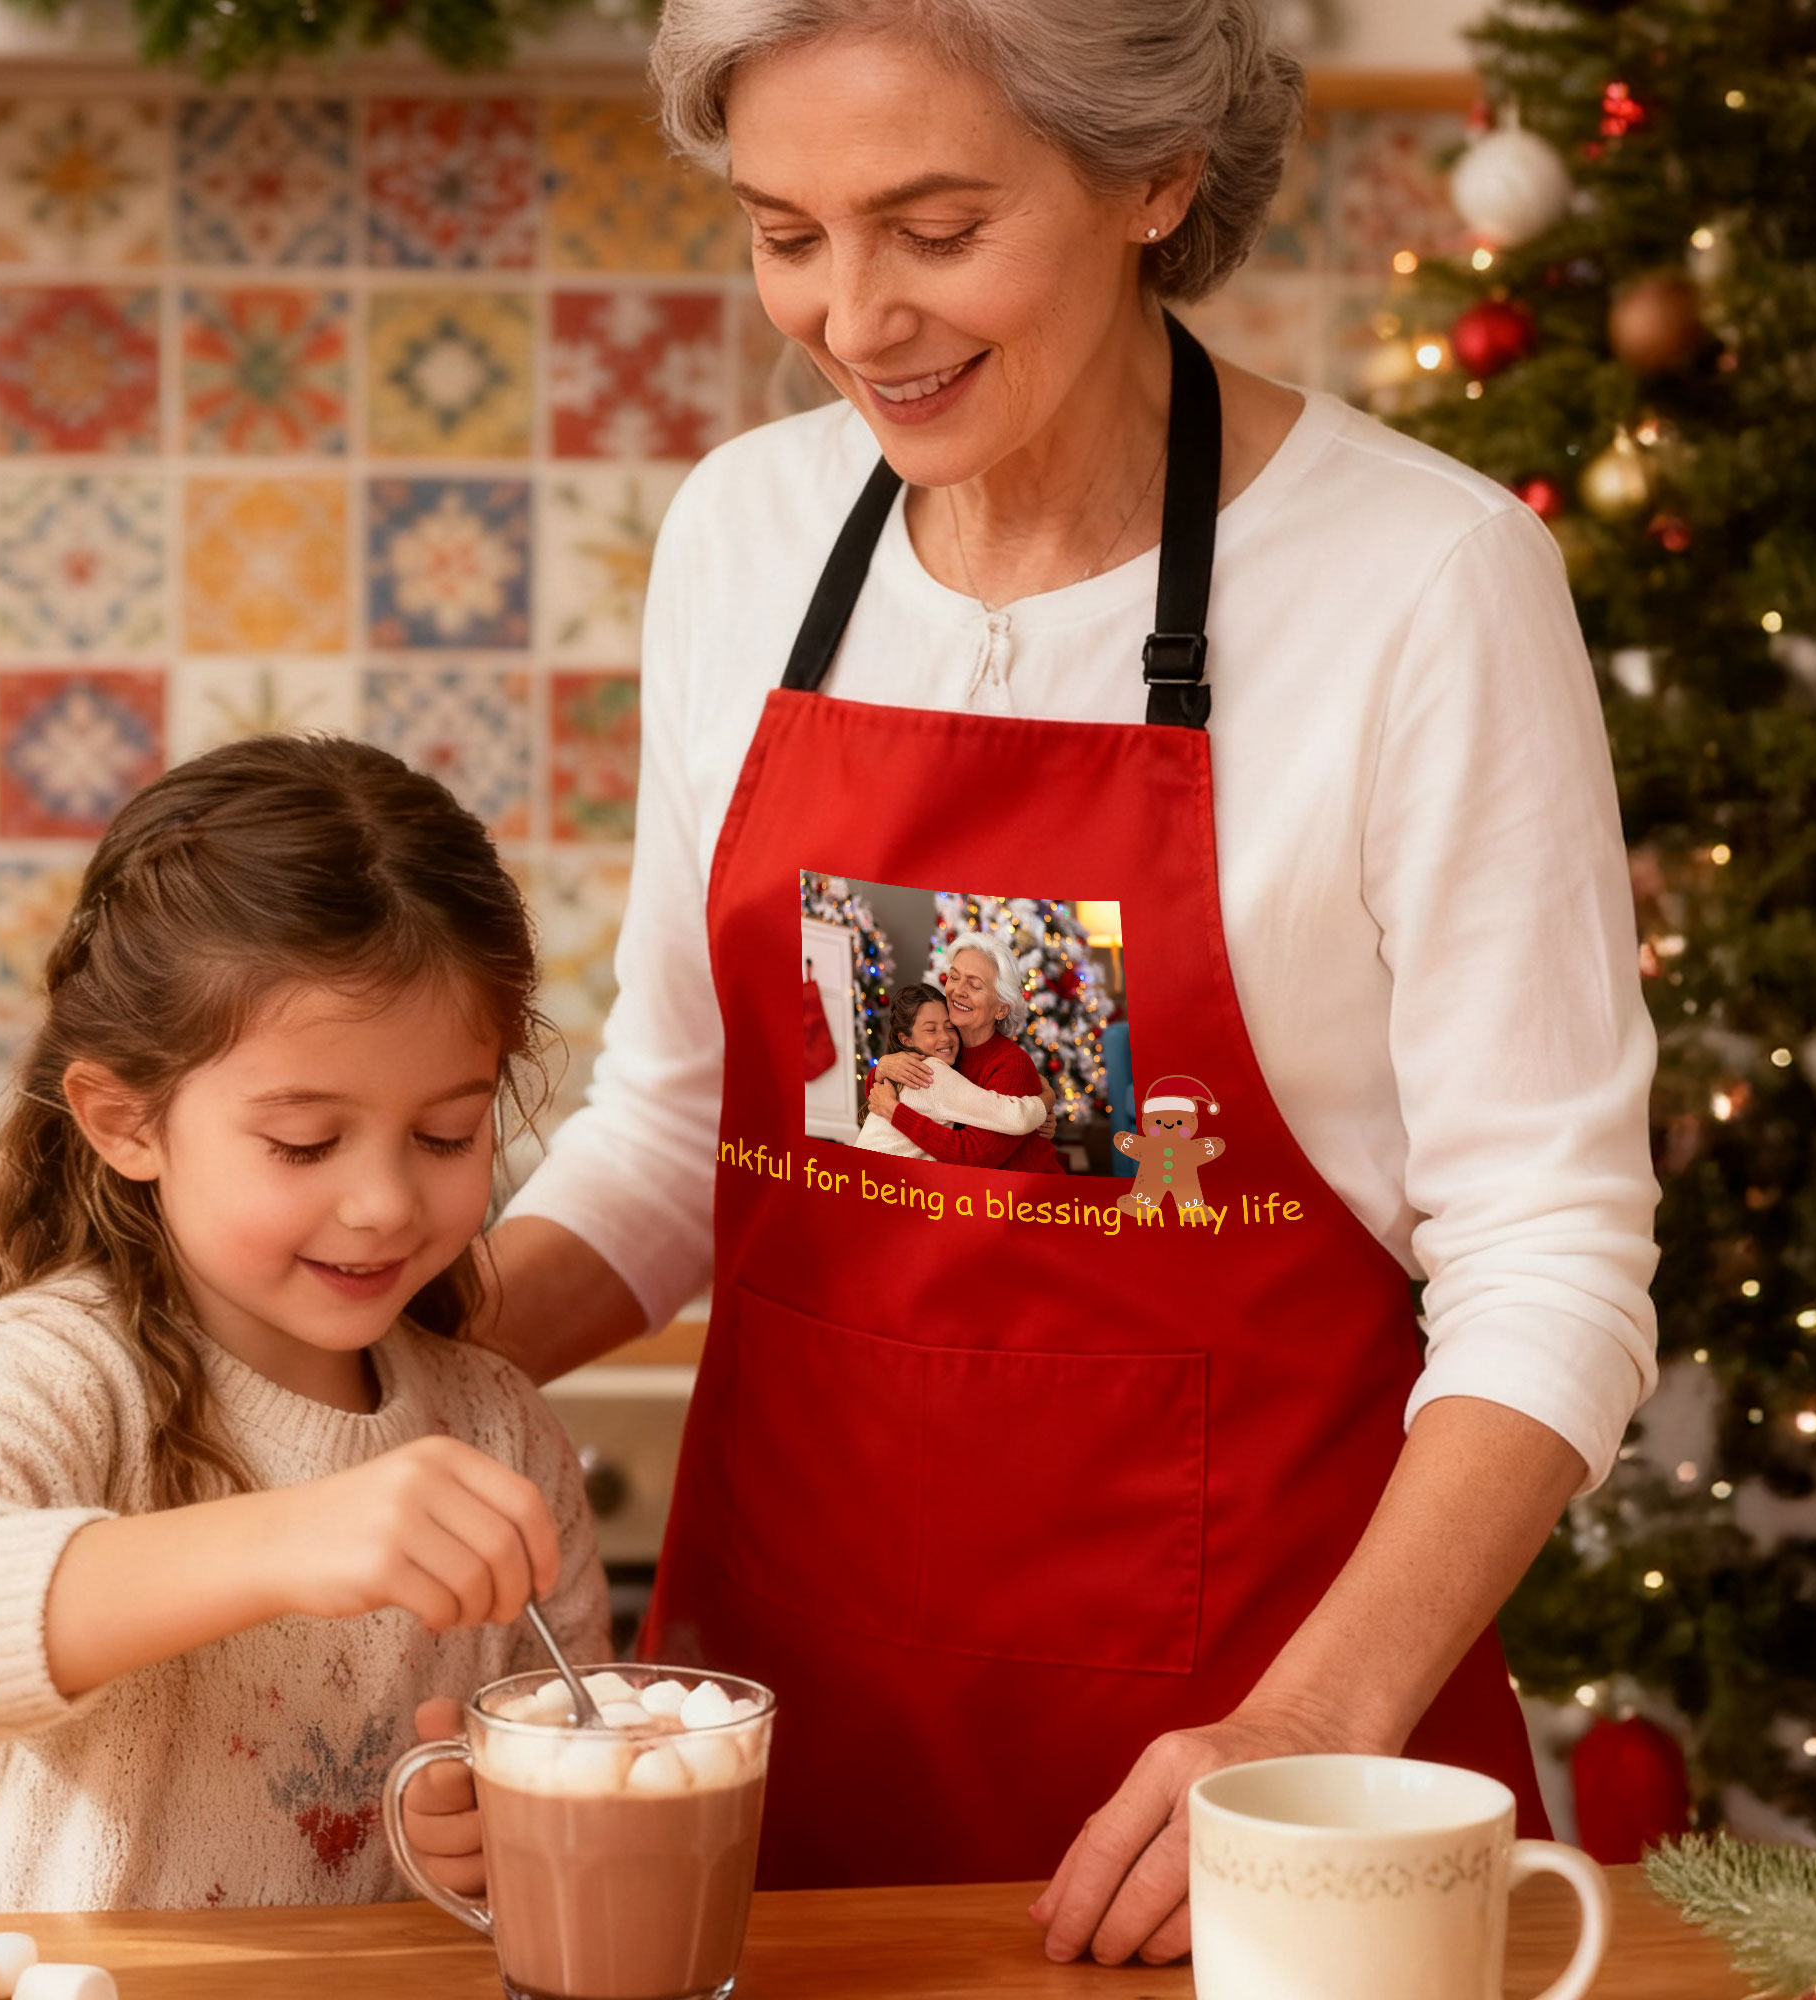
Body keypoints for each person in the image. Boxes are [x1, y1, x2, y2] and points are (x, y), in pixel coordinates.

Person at [471, 0, 1659, 1969]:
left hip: (1264, 1781)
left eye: (935, 231)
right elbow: (680, 1128)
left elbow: (1550, 1257)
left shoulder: (1420, 583)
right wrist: (345, 1366)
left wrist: (1309, 1728)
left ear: (1151, 177)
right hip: (769, 1739)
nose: (852, 319)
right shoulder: (743, 539)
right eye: (786, 232)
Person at [0, 736, 607, 1915]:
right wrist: (272, 1540)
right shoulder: (55, 1369)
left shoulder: (497, 1431)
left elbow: (561, 1782)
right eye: (304, 1142)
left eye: (448, 1132)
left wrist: (484, 1839)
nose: (385, 1201)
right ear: (127, 1120)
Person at [869, 936, 1066, 1171]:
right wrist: (883, 1067)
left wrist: (894, 1111)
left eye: (974, 985)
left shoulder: (1012, 1064)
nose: (958, 991)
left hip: (1027, 1198)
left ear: (1002, 1009)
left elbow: (977, 1154)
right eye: (954, 977)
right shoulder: (945, 1050)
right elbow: (885, 1092)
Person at [855, 979, 1053, 1160]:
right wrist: (1048, 1097)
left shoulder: (906, 1069)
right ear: (906, 1040)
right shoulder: (932, 1073)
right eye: (931, 1030)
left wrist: (881, 1070)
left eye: (950, 1027)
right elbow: (1016, 1118)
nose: (945, 1038)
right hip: (878, 1187)